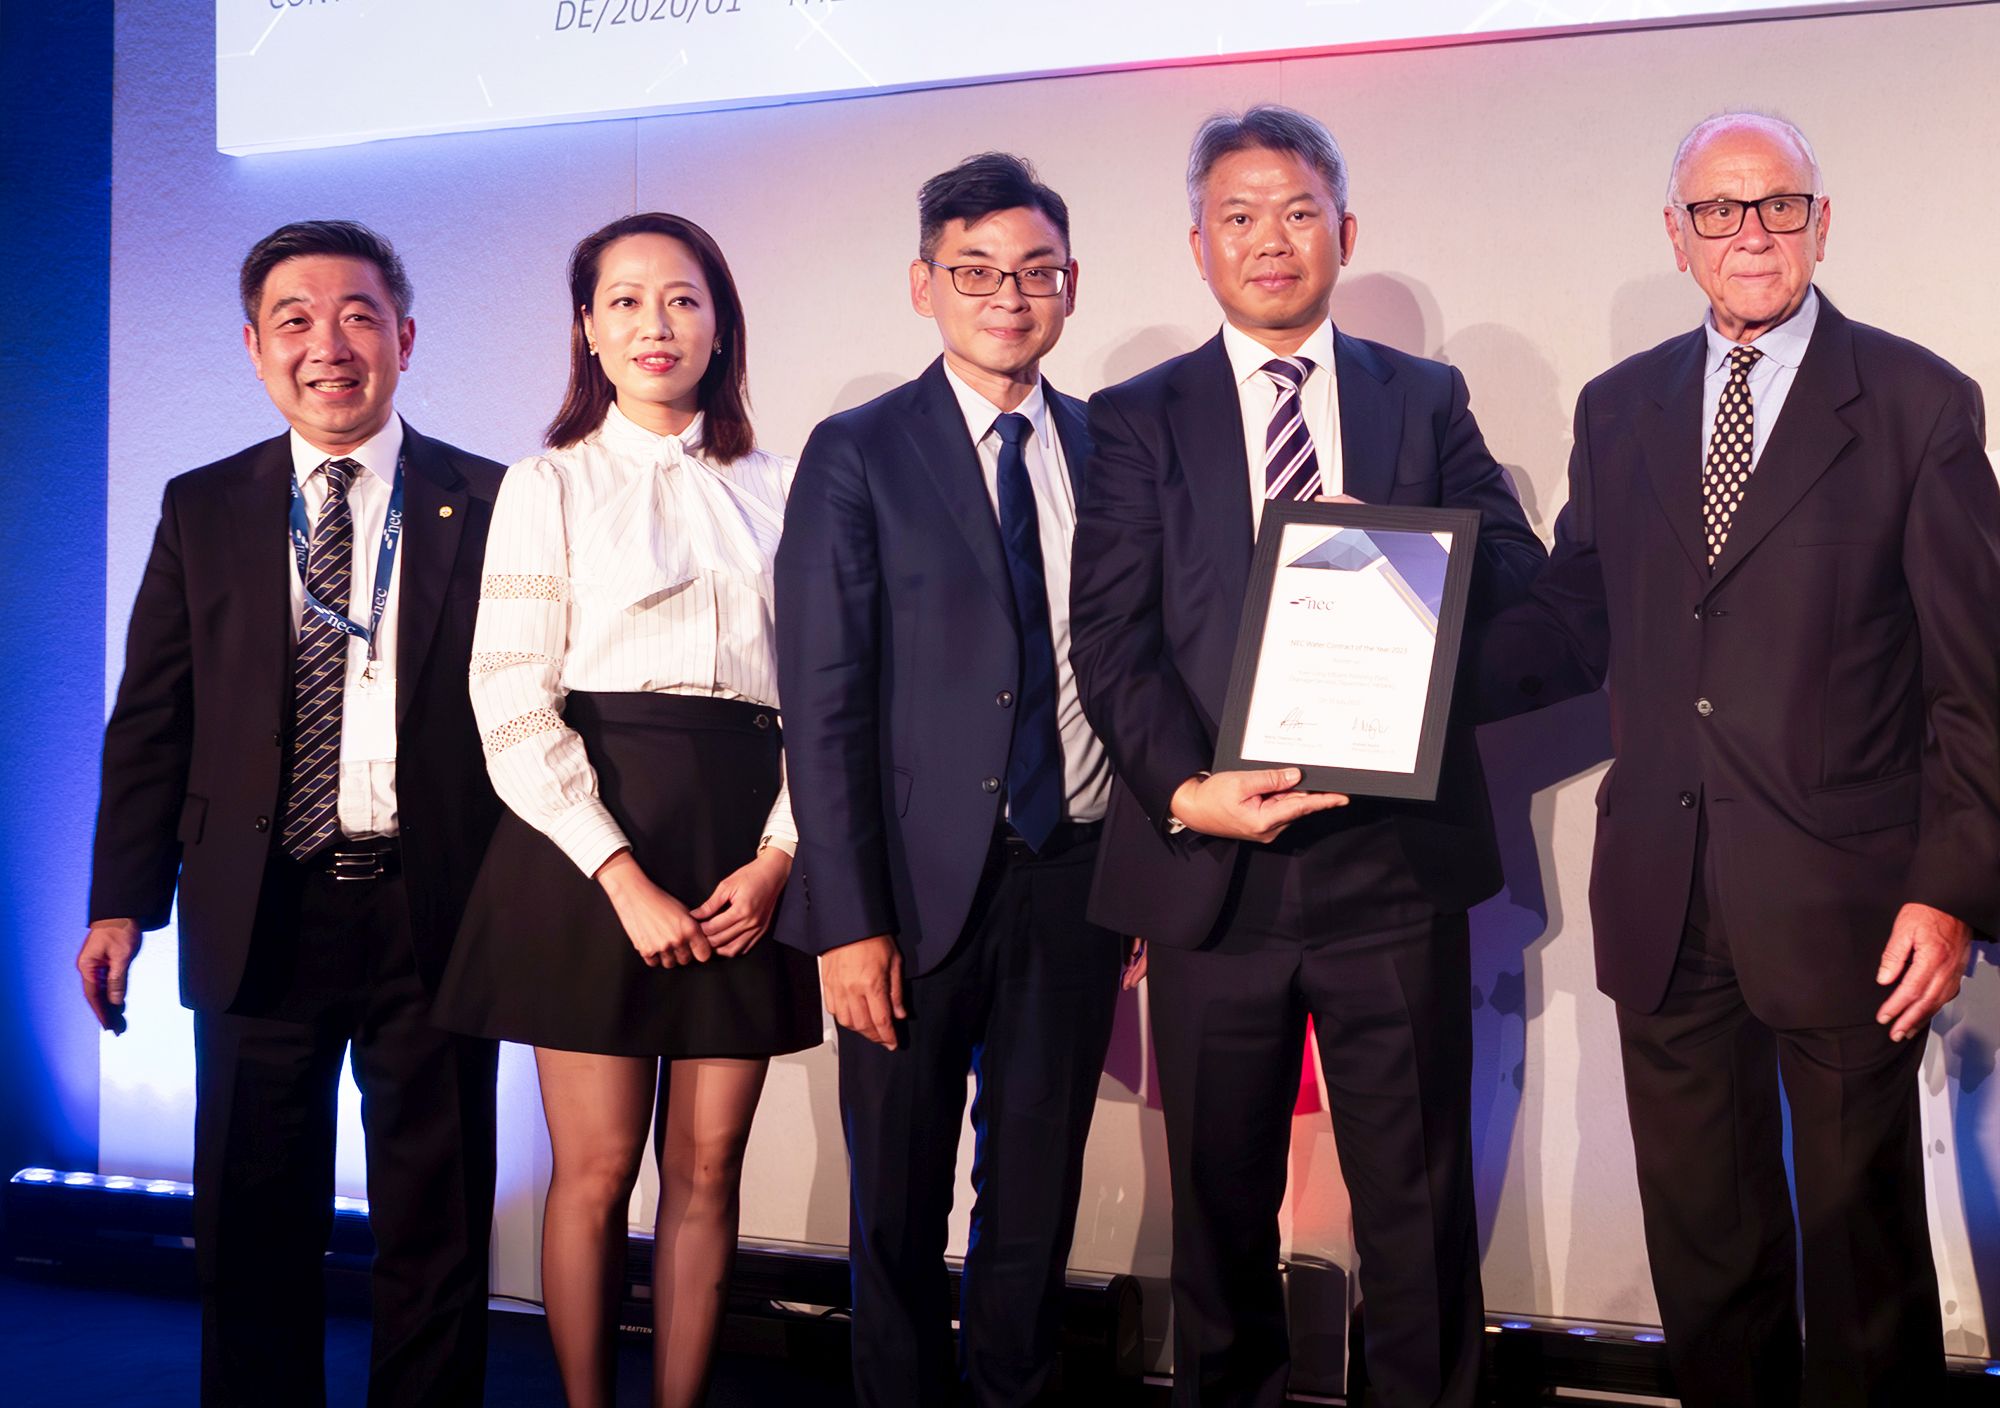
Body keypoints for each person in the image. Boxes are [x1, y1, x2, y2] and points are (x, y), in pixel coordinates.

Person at [1477, 112, 2000, 1407]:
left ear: (1822, 224)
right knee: (1707, 1266)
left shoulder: (1919, 405)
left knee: (1860, 1268)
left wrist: (1950, 891)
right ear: (1678, 236)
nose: (1750, 232)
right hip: (1665, 896)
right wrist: (1405, 659)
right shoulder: (1621, 407)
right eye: (1720, 210)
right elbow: (1574, 618)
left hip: (1849, 912)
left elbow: (1978, 685)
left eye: (1778, 206)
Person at [1069, 105, 1546, 1407]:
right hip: (1217, 871)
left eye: (1294, 212)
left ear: (1345, 229)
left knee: (1417, 1206)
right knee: (1220, 1215)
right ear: (1196, 244)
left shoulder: (1423, 398)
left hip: (1388, 864)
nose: (1269, 241)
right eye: (1239, 217)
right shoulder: (1135, 419)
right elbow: (1109, 640)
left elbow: (1519, 592)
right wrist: (1183, 791)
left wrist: (1413, 557)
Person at [78, 220, 504, 1407]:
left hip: (436, 913)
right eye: (297, 320)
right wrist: (121, 903)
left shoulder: (492, 500)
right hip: (255, 908)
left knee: (439, 1230)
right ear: (258, 349)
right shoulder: (203, 505)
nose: (331, 344)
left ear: (406, 339)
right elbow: (150, 719)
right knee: (252, 1226)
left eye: (360, 315)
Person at [429, 213, 821, 1408]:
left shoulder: (783, 484)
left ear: (721, 323)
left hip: (742, 840)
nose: (657, 323)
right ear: (588, 331)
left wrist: (778, 856)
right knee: (593, 1171)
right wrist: (621, 876)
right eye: (627, 301)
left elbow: (824, 695)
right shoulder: (547, 484)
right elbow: (506, 695)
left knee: (707, 1167)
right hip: (587, 846)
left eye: (685, 299)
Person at [774, 152, 1129, 1407]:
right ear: (923, 284)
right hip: (910, 901)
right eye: (976, 271)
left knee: (1033, 1206)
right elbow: (821, 709)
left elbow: (1139, 670)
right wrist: (849, 918)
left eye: (1035, 271)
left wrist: (1138, 868)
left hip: (1074, 875)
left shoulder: (1107, 446)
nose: (1008, 294)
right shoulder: (856, 452)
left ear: (1070, 285)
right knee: (898, 1210)